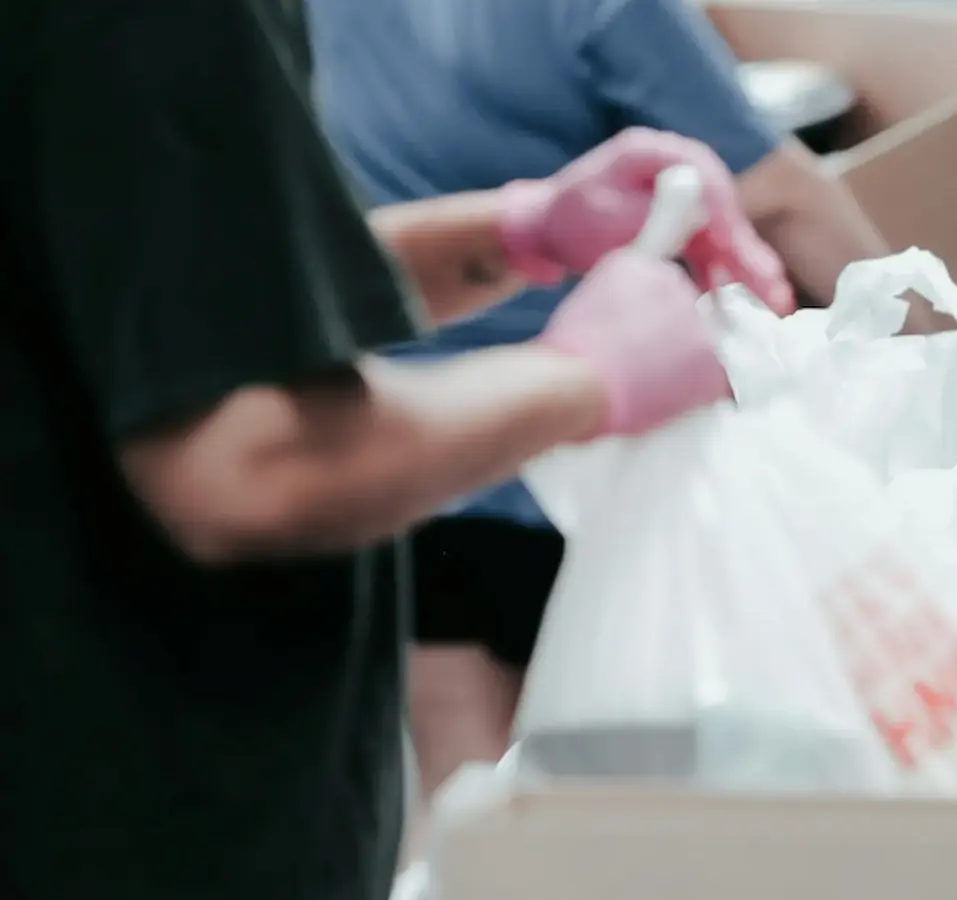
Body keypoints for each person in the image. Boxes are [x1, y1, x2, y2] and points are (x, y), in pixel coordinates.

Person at [0, 1, 789, 898]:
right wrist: (586, 376)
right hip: (140, 810)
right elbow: (250, 466)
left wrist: (517, 234)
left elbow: (201, 288)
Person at [304, 0, 910, 829]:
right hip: (584, 467)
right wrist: (944, 350)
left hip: (409, 455)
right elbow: (776, 195)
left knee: (467, 810)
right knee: (618, 819)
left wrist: (525, 229)